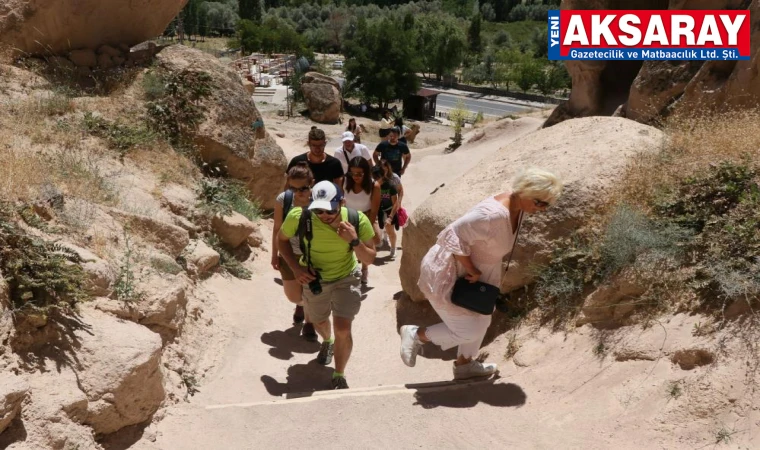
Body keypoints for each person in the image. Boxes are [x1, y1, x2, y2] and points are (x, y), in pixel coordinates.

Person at [399, 167, 563, 380]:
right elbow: (453, 235)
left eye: (546, 205)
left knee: (483, 320)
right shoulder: (492, 215)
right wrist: (472, 269)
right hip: (448, 274)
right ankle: (416, 334)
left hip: (476, 278)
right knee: (468, 330)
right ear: (526, 191)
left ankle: (465, 366)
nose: (542, 209)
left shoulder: (518, 208)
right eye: (540, 203)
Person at [278, 180, 377, 390]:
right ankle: (327, 342)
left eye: (329, 210)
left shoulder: (356, 220)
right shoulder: (299, 216)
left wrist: (354, 240)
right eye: (319, 211)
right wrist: (296, 269)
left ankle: (339, 374)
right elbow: (282, 240)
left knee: (343, 328)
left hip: (346, 277)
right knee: (318, 321)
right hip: (315, 278)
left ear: (341, 202)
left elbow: (369, 258)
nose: (323, 216)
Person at [271, 162, 318, 341]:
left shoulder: (319, 200)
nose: (299, 192)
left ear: (311, 183)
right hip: (289, 252)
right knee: (293, 296)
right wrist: (274, 254)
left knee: (312, 293)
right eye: (294, 188)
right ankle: (300, 305)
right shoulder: (284, 199)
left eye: (303, 188)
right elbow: (277, 228)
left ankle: (309, 323)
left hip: (313, 254)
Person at [344, 157, 382, 285]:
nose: (355, 177)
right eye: (352, 173)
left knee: (365, 247)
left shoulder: (374, 186)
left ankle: (364, 269)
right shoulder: (344, 182)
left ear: (366, 172)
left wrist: (368, 226)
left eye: (359, 173)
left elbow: (374, 210)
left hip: (365, 218)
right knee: (346, 246)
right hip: (347, 217)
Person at [371, 161, 400, 260]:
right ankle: (384, 237)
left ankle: (393, 248)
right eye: (373, 178)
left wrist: (391, 217)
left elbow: (395, 203)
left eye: (376, 178)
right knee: (381, 227)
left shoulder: (390, 186)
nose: (375, 180)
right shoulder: (373, 186)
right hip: (379, 211)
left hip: (389, 211)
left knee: (390, 231)